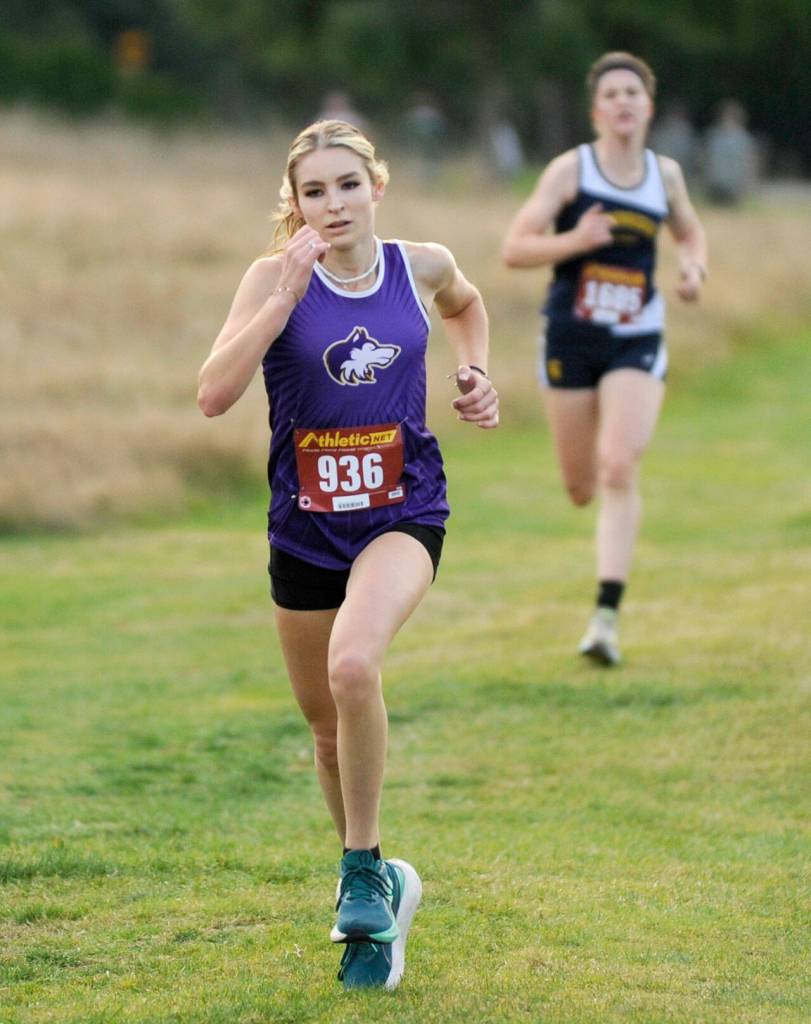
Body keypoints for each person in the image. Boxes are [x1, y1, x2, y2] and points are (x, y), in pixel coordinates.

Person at [197, 119, 498, 989]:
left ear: (377, 188)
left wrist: (475, 371)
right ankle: (375, 901)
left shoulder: (420, 264)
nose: (331, 204)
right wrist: (281, 297)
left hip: (404, 511)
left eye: (346, 185)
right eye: (312, 191)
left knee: (354, 666)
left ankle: (360, 870)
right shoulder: (270, 276)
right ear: (293, 205)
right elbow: (214, 394)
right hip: (304, 527)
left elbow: (467, 303)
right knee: (327, 735)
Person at [502, 52, 706, 665]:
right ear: (597, 111)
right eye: (611, 94)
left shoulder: (663, 175)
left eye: (633, 93)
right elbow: (515, 248)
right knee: (581, 487)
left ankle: (605, 621)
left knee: (619, 466)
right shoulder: (571, 171)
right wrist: (576, 241)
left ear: (647, 106)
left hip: (635, 335)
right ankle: (602, 598)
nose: (622, 102)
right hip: (570, 337)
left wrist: (693, 267)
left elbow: (690, 233)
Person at [702, 99, 758, 206]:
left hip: (735, 185)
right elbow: (705, 159)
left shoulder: (744, 139)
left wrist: (749, 182)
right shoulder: (713, 136)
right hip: (716, 182)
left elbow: (750, 162)